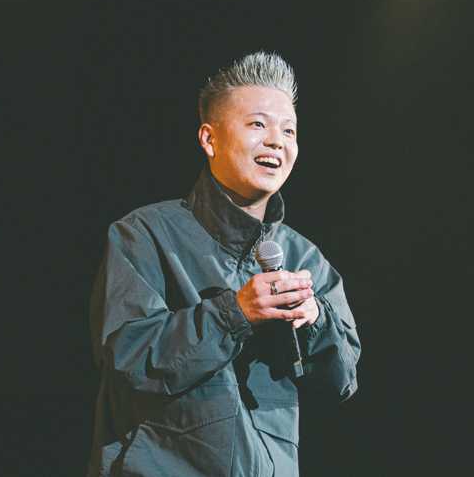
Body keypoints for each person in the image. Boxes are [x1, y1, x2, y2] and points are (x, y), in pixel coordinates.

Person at [88, 52, 360, 477]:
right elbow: (126, 359)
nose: (277, 141)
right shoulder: (146, 234)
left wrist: (316, 322)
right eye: (258, 124)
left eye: (289, 130)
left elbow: (340, 383)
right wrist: (235, 312)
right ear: (209, 138)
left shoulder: (307, 260)